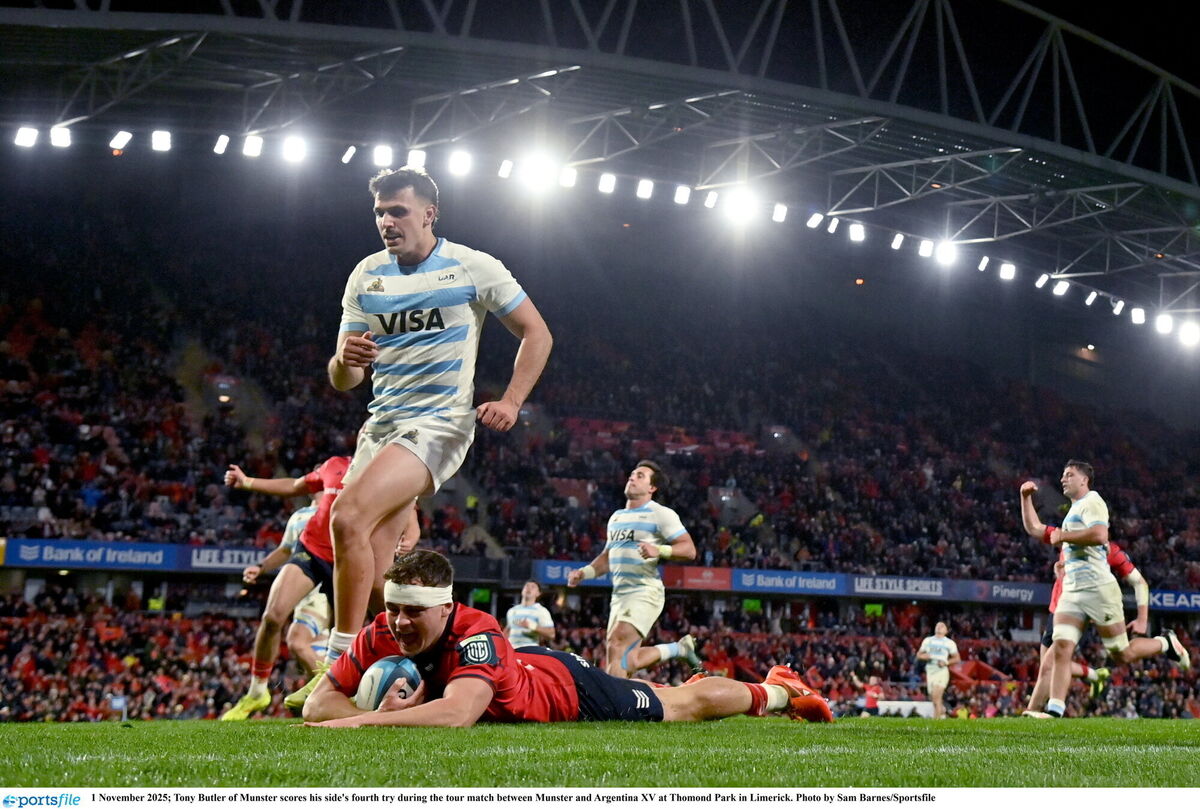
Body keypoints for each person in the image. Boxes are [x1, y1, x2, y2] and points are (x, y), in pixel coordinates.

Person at [311, 166, 552, 710]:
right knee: (378, 564)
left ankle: (335, 669)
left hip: (440, 423)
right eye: (379, 212)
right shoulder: (366, 276)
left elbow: (537, 332)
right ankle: (425, 671)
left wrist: (511, 400)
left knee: (345, 517)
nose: (386, 222)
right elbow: (345, 379)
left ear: (428, 213)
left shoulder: (472, 266)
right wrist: (343, 361)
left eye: (397, 210)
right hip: (382, 426)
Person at [302, 550, 834, 727]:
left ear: (445, 607)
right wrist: (358, 715)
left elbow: (457, 715)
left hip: (564, 689)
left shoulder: (477, 631)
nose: (397, 622)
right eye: (393, 608)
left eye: (412, 611)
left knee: (679, 706)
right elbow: (316, 705)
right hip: (519, 664)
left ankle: (778, 689)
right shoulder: (380, 631)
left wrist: (363, 719)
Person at [223, 458, 420, 715]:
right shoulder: (334, 465)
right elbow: (295, 485)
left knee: (362, 628)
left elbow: (409, 509)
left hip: (350, 560)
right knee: (273, 615)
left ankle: (349, 689)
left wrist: (410, 536)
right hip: (313, 550)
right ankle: (257, 691)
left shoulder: (382, 471)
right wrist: (247, 481)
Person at [1019, 461, 1191, 718]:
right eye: (1063, 475)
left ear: (1084, 480)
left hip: (1099, 591)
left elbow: (1100, 535)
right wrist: (1024, 498)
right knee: (1062, 647)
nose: (1063, 479)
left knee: (1121, 654)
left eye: (1069, 475)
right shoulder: (1072, 516)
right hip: (1072, 593)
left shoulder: (1093, 503)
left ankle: (1165, 643)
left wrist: (1143, 618)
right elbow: (1035, 528)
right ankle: (1054, 710)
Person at [567, 461, 703, 678]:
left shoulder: (661, 514)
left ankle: (612, 706)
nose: (632, 478)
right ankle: (678, 649)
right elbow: (607, 558)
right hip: (619, 594)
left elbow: (689, 549)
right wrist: (584, 573)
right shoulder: (617, 517)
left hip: (644, 590)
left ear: (652, 488)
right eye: (632, 474)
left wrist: (659, 550)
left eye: (640, 476)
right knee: (627, 660)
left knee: (617, 641)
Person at [1021, 538, 1178, 717]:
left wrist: (1142, 618)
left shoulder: (1108, 551)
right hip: (1054, 609)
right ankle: (1094, 676)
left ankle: (1034, 713)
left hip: (1073, 613)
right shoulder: (1068, 539)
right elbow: (1036, 528)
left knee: (1051, 665)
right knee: (1047, 667)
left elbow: (1139, 582)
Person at [220, 498, 322, 720]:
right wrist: (261, 567)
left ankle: (336, 692)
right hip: (306, 588)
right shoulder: (299, 516)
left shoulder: (342, 503)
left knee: (298, 641)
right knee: (306, 649)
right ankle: (329, 697)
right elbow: (285, 550)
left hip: (330, 584)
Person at [916, 621, 960, 719]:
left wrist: (946, 662)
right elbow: (919, 655)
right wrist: (925, 656)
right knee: (933, 698)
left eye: (942, 626)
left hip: (941, 671)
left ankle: (936, 721)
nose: (939, 626)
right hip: (930, 671)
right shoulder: (928, 641)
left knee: (937, 695)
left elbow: (957, 658)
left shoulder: (949, 643)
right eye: (937, 625)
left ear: (946, 631)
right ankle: (942, 711)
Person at [505, 580, 555, 649]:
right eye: (527, 586)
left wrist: (533, 626)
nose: (529, 588)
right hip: (511, 651)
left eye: (533, 587)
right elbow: (508, 630)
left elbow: (551, 634)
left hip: (529, 651)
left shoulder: (541, 611)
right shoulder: (512, 611)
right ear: (522, 590)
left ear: (538, 593)